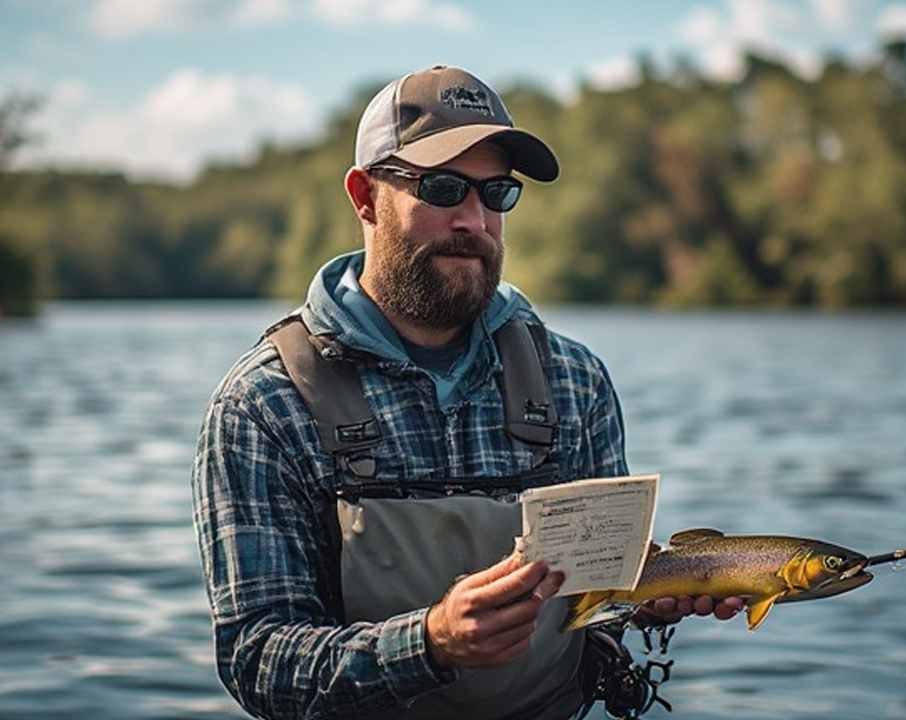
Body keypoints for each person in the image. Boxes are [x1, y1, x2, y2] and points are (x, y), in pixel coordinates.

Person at [191, 65, 743, 720]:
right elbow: (258, 660)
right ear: (365, 197)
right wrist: (429, 644)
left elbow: (599, 608)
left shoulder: (576, 382)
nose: (475, 220)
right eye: (444, 188)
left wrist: (650, 597)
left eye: (497, 194)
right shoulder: (264, 405)